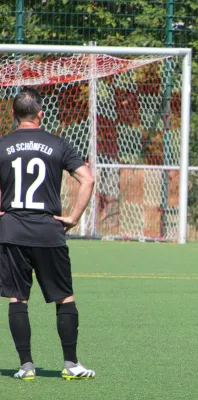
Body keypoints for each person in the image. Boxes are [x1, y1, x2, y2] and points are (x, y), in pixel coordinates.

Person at [0, 88, 96, 380]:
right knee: (64, 297)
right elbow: (87, 179)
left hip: (12, 230)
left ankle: (26, 367)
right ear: (40, 114)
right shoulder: (57, 144)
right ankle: (71, 365)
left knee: (18, 298)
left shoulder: (2, 145)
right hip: (48, 231)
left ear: (13, 114)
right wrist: (73, 217)